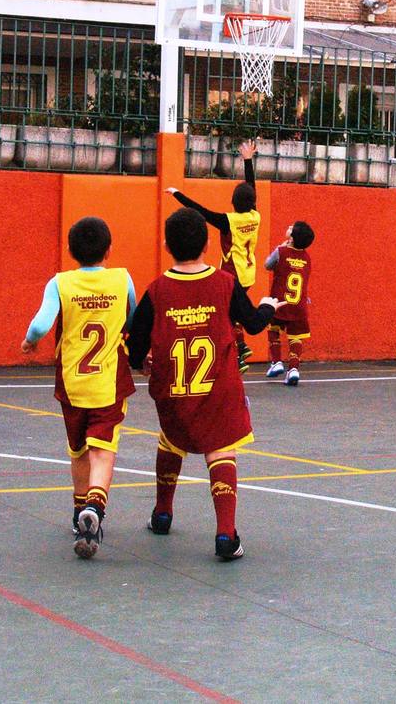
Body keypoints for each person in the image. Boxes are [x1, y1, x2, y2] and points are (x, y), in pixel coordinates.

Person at [126, 208, 279, 561]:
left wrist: (142, 362)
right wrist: (269, 306)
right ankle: (226, 533)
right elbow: (254, 324)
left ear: (166, 245)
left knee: (170, 440)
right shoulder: (225, 283)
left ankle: (162, 513)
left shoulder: (157, 290)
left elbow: (135, 346)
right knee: (221, 450)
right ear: (208, 244)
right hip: (217, 390)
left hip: (175, 392)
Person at [20, 216, 136, 560]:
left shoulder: (60, 283)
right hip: (109, 382)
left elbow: (42, 323)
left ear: (70, 251)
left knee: (79, 451)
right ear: (109, 249)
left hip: (72, 383)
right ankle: (95, 507)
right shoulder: (121, 278)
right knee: (103, 449)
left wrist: (29, 342)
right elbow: (133, 316)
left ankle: (77, 513)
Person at [165, 139, 260, 372]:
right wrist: (248, 161)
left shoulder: (229, 221)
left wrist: (178, 194)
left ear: (232, 202)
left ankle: (238, 352)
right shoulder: (254, 217)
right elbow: (252, 188)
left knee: (224, 316)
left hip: (232, 273)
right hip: (248, 273)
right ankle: (241, 346)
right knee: (232, 313)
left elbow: (202, 212)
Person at [264, 221, 314, 387]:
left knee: (273, 329)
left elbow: (267, 265)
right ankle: (293, 369)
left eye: (291, 228)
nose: (289, 227)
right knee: (296, 338)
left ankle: (276, 362)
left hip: (280, 302)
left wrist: (279, 247)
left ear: (292, 237)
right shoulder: (307, 258)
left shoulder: (281, 251)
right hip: (299, 305)